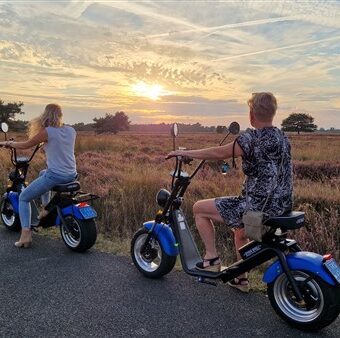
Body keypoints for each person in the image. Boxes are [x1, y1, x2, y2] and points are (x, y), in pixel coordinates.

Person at [166, 92, 293, 292]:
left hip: (257, 207)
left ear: (252, 114)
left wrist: (184, 153)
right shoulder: (283, 137)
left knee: (199, 208)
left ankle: (211, 258)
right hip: (281, 205)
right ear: (273, 113)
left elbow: (218, 153)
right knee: (239, 231)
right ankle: (240, 279)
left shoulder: (251, 138)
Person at [0, 104, 77, 248]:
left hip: (56, 176)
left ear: (46, 114)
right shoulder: (71, 130)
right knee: (43, 172)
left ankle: (25, 235)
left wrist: (8, 143)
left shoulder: (47, 131)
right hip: (72, 174)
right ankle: (45, 208)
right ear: (60, 115)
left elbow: (26, 145)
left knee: (24, 197)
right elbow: (59, 144)